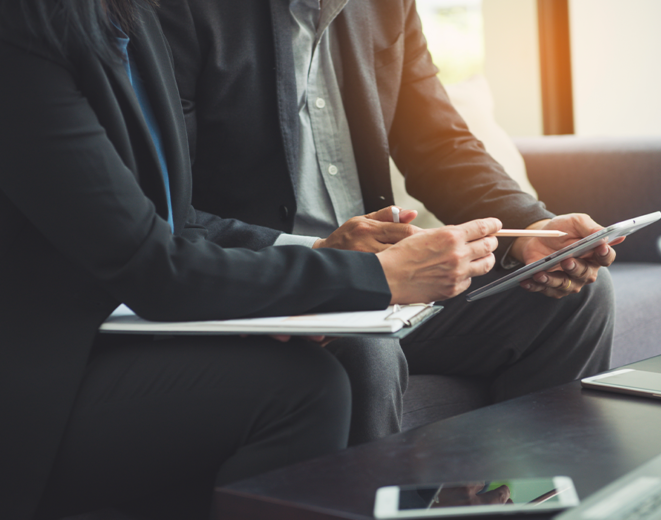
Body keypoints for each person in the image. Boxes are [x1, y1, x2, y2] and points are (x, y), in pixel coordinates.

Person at [0, 1, 502, 518]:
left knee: (317, 372)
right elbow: (152, 266)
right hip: (48, 370)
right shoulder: (25, 33)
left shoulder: (131, 19)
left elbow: (178, 220)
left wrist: (318, 267)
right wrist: (373, 277)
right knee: (305, 388)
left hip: (125, 328)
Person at [156, 0, 619, 445]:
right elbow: (167, 210)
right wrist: (319, 260)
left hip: (389, 279)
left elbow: (438, 145)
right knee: (364, 348)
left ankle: (534, 497)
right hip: (272, 283)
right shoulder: (180, 10)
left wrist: (532, 229)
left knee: (577, 299)